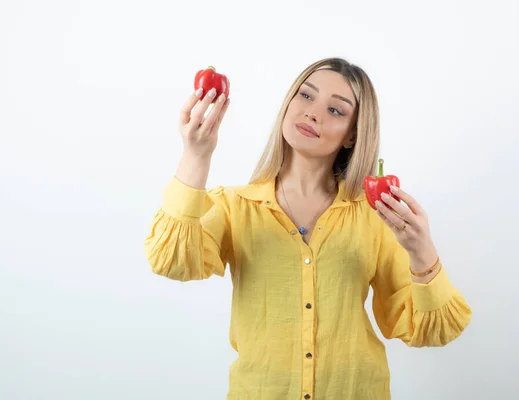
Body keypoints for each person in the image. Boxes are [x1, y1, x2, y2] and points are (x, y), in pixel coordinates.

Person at [143, 57, 472, 400]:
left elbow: (426, 329)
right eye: (306, 95)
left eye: (336, 111)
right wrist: (197, 156)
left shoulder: (375, 214)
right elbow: (171, 260)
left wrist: (422, 250)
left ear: (352, 136)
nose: (313, 112)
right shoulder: (233, 206)